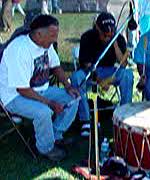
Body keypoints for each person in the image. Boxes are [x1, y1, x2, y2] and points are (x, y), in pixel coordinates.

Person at [0, 15, 80, 161]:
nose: (55, 39)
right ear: (38, 34)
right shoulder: (19, 49)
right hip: (14, 97)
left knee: (74, 98)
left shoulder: (46, 45)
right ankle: (45, 148)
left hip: (39, 91)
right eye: (52, 35)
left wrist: (68, 86)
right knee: (44, 112)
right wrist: (49, 103)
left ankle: (55, 135)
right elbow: (22, 89)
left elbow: (55, 66)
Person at [70, 12, 134, 137]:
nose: (107, 36)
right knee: (76, 77)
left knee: (127, 74)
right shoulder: (87, 37)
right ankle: (86, 120)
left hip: (110, 70)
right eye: (104, 33)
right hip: (92, 71)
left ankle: (124, 114)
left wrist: (114, 42)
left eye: (110, 33)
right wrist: (99, 81)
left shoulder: (118, 38)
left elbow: (123, 64)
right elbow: (87, 65)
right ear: (97, 27)